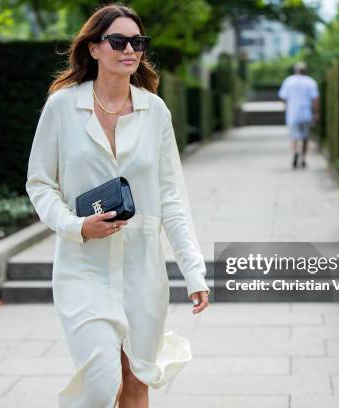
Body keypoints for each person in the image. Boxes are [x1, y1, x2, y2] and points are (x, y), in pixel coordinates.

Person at [25, 4, 210, 407]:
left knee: (136, 379)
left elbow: (172, 198)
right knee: (99, 384)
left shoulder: (154, 111)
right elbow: (39, 183)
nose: (130, 50)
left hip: (142, 269)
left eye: (138, 42)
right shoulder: (61, 106)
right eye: (119, 41)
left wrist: (193, 271)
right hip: (83, 266)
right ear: (94, 48)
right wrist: (75, 226)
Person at [278, 62, 320, 169]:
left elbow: (283, 96)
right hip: (306, 113)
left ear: (295, 70)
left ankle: (296, 151)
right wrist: (316, 113)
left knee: (294, 137)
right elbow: (315, 99)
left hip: (293, 113)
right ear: (305, 71)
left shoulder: (289, 81)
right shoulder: (311, 82)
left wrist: (286, 108)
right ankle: (303, 158)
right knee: (305, 137)